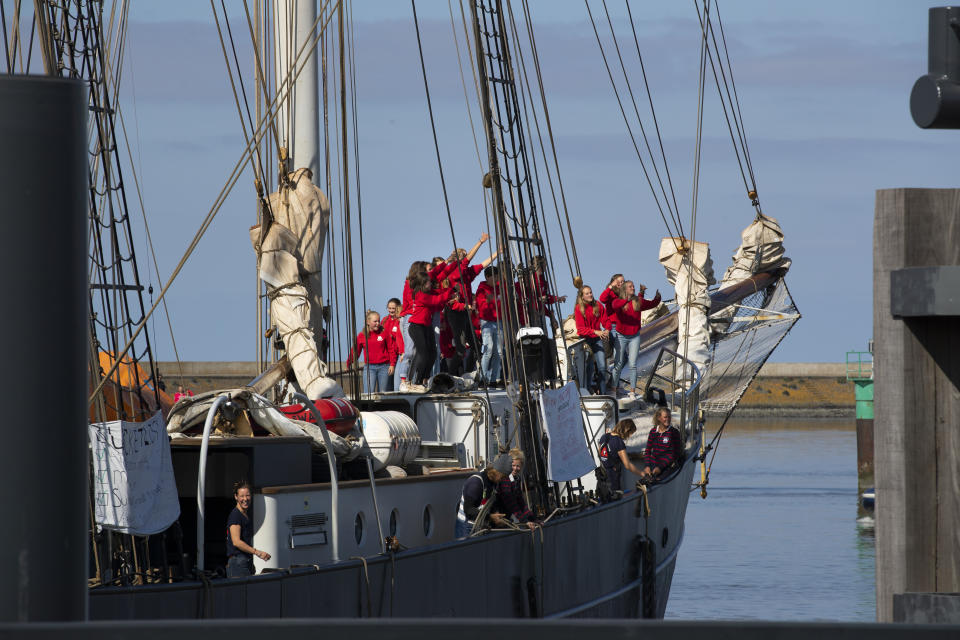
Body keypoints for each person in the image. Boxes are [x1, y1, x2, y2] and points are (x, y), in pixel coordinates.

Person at [605, 280, 661, 396]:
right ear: (625, 289)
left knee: (632, 364)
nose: (633, 288)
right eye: (630, 287)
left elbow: (652, 304)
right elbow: (615, 305)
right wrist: (627, 298)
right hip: (621, 336)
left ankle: (632, 392)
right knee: (618, 364)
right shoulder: (618, 301)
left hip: (634, 336)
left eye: (633, 286)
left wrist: (657, 298)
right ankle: (613, 390)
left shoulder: (637, 301)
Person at [404, 263, 455, 391]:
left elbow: (439, 295)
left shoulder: (427, 292)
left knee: (433, 353)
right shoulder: (421, 295)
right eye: (427, 283)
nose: (430, 284)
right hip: (416, 327)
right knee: (423, 354)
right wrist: (451, 291)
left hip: (426, 326)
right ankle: (414, 381)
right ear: (422, 284)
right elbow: (436, 300)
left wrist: (450, 262)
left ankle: (424, 380)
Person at [455, 453, 513, 537]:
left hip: (480, 526)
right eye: (503, 477)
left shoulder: (493, 482)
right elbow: (468, 510)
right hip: (466, 527)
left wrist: (496, 514)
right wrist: (490, 517)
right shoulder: (476, 482)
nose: (503, 480)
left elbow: (491, 502)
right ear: (497, 472)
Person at [225, 481, 270, 578]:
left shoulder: (244, 515)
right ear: (236, 497)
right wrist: (257, 552)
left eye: (248, 495)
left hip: (245, 561)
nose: (245, 499)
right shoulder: (235, 516)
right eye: (242, 496)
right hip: (238, 563)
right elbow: (236, 542)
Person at [346, 310, 396, 394]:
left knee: (383, 394)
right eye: (375, 321)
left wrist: (392, 364)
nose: (378, 323)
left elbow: (391, 349)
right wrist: (348, 363)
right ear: (368, 322)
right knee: (368, 393)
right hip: (370, 368)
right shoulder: (362, 336)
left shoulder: (384, 333)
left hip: (384, 367)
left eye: (379, 321)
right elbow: (355, 352)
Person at [573, 285, 609, 395]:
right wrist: (595, 331)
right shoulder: (579, 308)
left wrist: (607, 329)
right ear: (582, 297)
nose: (590, 295)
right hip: (585, 340)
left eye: (591, 292)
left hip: (597, 339)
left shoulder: (598, 305)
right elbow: (580, 329)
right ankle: (587, 390)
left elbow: (605, 320)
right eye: (587, 293)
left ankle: (603, 394)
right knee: (588, 367)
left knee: (602, 367)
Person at [597, 419, 645, 493]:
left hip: (603, 477)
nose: (629, 436)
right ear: (626, 430)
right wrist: (642, 474)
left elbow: (600, 453)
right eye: (630, 433)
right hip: (613, 479)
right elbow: (627, 465)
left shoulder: (604, 437)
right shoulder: (618, 442)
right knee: (615, 498)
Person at [494, 448, 537, 529]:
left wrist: (533, 519)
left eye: (518, 466)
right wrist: (524, 521)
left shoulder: (516, 479)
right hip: (496, 521)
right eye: (513, 465)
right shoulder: (504, 478)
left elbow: (520, 502)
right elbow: (510, 502)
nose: (515, 468)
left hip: (505, 519)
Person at [475, 265, 502, 385]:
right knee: (488, 349)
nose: (496, 278)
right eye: (493, 276)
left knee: (499, 352)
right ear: (487, 277)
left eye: (497, 276)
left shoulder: (500, 287)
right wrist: (488, 300)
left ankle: (493, 379)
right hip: (486, 321)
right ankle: (482, 378)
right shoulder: (482, 289)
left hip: (499, 322)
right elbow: (480, 308)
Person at [641, 407, 683, 482]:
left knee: (658, 480)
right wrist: (647, 466)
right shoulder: (653, 432)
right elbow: (647, 451)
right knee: (646, 480)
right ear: (659, 418)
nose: (668, 419)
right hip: (654, 465)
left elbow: (675, 454)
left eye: (669, 417)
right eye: (665, 417)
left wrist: (660, 467)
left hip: (667, 465)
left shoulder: (674, 432)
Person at [382, 298, 403, 391]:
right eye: (389, 308)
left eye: (393, 308)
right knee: (386, 385)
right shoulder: (384, 320)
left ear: (397, 308)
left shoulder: (400, 321)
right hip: (388, 356)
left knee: (397, 382)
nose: (391, 310)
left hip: (398, 355)